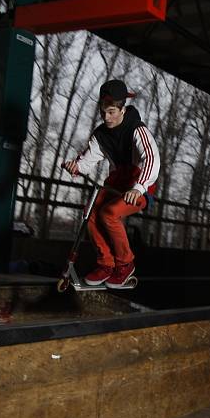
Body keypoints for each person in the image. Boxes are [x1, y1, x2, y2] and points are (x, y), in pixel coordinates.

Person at [63, 79, 160, 288]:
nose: (107, 118)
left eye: (112, 112)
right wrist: (76, 166)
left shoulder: (137, 129)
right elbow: (89, 158)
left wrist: (139, 188)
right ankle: (106, 264)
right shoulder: (100, 135)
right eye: (103, 112)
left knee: (110, 213)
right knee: (90, 212)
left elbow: (152, 158)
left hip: (140, 184)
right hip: (116, 181)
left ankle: (125, 265)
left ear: (122, 109)